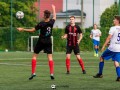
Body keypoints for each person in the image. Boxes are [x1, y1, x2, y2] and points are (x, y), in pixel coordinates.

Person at [17, 4, 56, 80]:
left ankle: (33, 72)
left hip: (41, 41)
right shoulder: (51, 22)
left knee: (34, 56)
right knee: (50, 58)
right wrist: (54, 9)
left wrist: (23, 29)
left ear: (45, 16)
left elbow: (32, 30)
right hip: (48, 41)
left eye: (43, 14)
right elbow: (55, 17)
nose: (42, 15)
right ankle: (51, 73)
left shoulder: (41, 24)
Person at [93, 15, 120, 81]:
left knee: (102, 57)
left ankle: (100, 74)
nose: (113, 20)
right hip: (119, 48)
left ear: (118, 21)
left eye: (114, 19)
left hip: (112, 48)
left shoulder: (113, 28)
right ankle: (119, 76)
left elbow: (109, 38)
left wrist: (104, 45)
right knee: (116, 62)